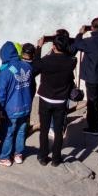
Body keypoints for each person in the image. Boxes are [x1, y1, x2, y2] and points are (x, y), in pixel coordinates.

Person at [32, 34, 77, 166]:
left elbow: (35, 66)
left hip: (46, 98)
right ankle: (56, 159)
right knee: (58, 131)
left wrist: (39, 48)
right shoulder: (72, 61)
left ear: (53, 47)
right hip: (61, 100)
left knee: (44, 129)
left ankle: (43, 156)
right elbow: (68, 57)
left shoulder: (46, 61)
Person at [73, 18, 98, 136]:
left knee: (92, 101)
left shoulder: (87, 42)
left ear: (91, 28)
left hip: (91, 76)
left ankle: (93, 127)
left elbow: (77, 44)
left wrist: (80, 33)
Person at [0, 42, 32, 167]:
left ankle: (5, 157)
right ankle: (18, 155)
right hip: (26, 106)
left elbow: (1, 93)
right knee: (21, 131)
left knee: (8, 133)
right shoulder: (27, 66)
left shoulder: (5, 71)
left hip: (11, 109)